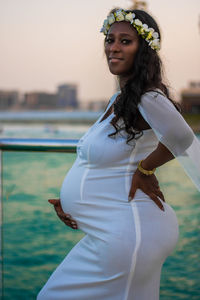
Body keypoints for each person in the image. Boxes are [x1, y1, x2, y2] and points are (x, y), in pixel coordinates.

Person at [37, 8, 199, 300]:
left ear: (144, 49)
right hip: (116, 232)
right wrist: (73, 201)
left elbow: (182, 135)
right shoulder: (120, 98)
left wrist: (146, 169)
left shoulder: (147, 96)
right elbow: (111, 162)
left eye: (125, 41)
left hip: (131, 234)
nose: (113, 47)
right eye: (110, 39)